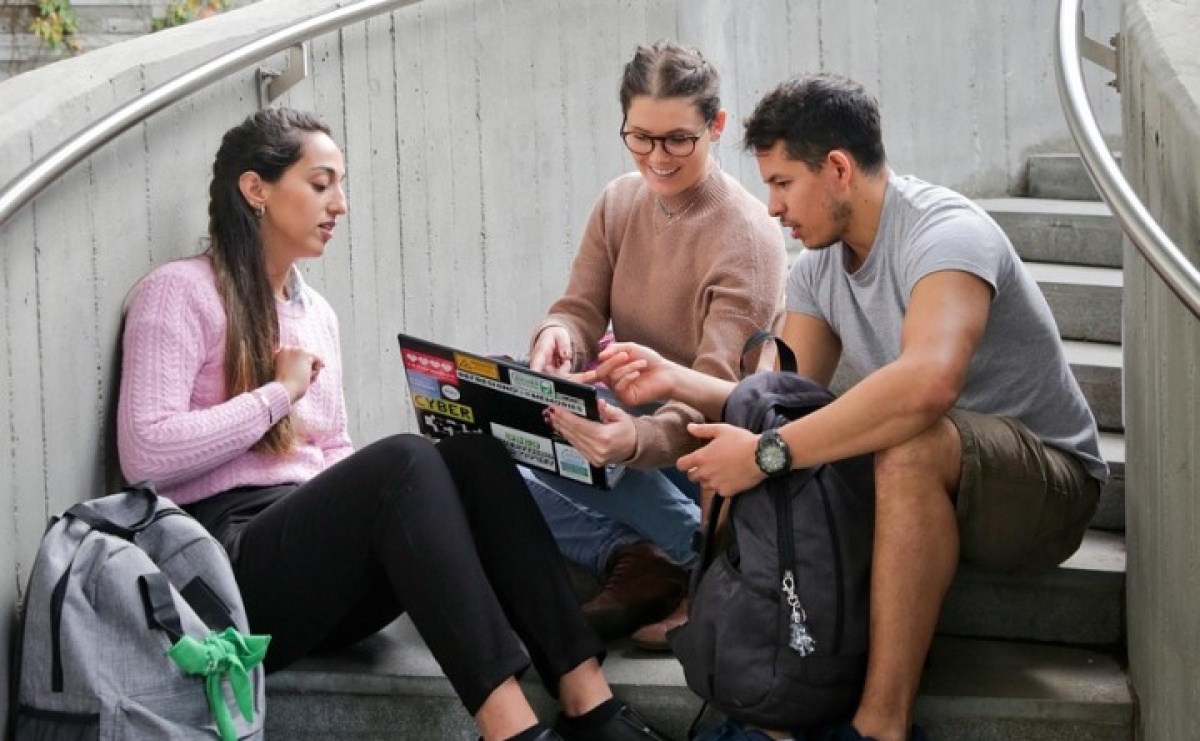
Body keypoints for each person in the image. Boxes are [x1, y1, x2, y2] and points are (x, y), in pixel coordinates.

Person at [116, 107, 674, 741]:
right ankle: (511, 729)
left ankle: (589, 703)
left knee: (469, 454)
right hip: (226, 573)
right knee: (404, 460)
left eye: (341, 185)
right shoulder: (178, 292)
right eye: (321, 183)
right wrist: (278, 393)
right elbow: (146, 456)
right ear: (256, 189)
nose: (340, 204)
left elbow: (335, 453)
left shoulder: (315, 312)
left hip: (321, 573)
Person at [586, 74, 1107, 741]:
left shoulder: (946, 233)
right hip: (929, 488)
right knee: (790, 432)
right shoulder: (818, 269)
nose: (772, 207)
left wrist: (768, 454)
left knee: (902, 439)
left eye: (781, 183)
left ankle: (880, 727)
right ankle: (785, 698)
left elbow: (927, 385)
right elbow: (775, 400)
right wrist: (674, 381)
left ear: (835, 168)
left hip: (1044, 488)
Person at [524, 41, 787, 646]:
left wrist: (630, 440)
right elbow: (578, 309)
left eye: (677, 139)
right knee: (484, 438)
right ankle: (638, 554)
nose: (657, 157)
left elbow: (713, 395)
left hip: (701, 450)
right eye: (640, 137)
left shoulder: (747, 238)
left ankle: (705, 552)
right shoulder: (619, 201)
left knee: (570, 445)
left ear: (715, 126)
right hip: (631, 426)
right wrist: (557, 338)